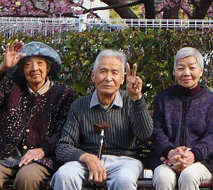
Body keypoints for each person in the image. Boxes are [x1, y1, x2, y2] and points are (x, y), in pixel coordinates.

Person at [50, 49, 153, 190]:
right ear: (93, 76)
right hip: (86, 161)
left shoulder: (131, 102)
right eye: (103, 71)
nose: (108, 78)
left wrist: (137, 100)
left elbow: (145, 135)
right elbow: (63, 147)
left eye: (114, 73)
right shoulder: (79, 105)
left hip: (125, 161)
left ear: (122, 78)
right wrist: (87, 157)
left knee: (124, 180)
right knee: (64, 175)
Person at [0, 41, 76, 190]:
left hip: (43, 159)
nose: (34, 69)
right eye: (27, 65)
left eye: (40, 63)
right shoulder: (11, 88)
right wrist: (2, 68)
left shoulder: (63, 93)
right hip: (8, 157)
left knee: (26, 178)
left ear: (48, 68)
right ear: (22, 71)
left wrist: (44, 149)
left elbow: (67, 129)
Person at [151, 47, 213, 190]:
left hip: (200, 161)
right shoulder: (163, 98)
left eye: (192, 67)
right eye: (181, 68)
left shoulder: (212, 101)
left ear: (201, 71)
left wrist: (193, 155)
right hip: (167, 159)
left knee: (188, 176)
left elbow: (212, 136)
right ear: (174, 72)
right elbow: (157, 131)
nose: (186, 73)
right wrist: (170, 153)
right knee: (163, 177)